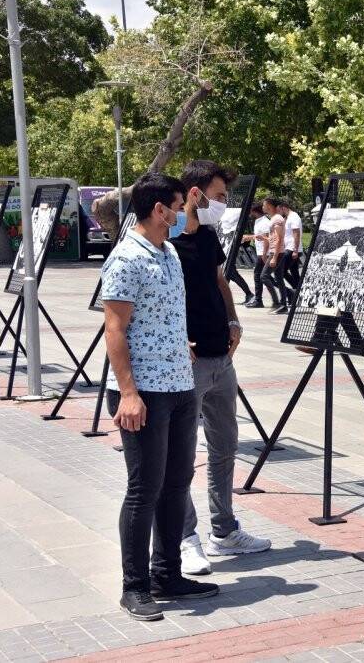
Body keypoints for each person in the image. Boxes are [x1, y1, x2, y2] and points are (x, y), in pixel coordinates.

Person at [102, 172, 219, 621]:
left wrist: (179, 346)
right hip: (144, 393)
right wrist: (128, 394)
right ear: (159, 210)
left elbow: (164, 314)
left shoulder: (167, 251)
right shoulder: (126, 258)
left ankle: (167, 573)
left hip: (179, 385)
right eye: (176, 206)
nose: (181, 213)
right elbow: (114, 329)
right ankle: (134, 587)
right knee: (143, 489)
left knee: (176, 483)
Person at [171, 161, 271, 576]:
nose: (224, 204)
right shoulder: (167, 237)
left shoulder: (209, 235)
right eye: (220, 196)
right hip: (187, 362)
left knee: (224, 447)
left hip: (220, 358)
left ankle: (224, 530)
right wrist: (176, 339)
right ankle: (185, 539)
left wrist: (233, 320)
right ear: (195, 195)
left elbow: (219, 281)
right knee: (180, 456)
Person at [218, 205, 253, 304]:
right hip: (226, 255)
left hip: (228, 256)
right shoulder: (229, 230)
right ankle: (222, 297)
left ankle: (249, 294)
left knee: (232, 274)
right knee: (228, 275)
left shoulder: (233, 230)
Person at [261, 197, 288, 314]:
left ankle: (276, 302)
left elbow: (279, 238)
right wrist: (264, 238)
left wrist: (274, 257)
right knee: (279, 278)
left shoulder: (277, 219)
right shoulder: (274, 218)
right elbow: (274, 238)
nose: (262, 207)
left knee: (263, 276)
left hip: (276, 252)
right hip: (277, 251)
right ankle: (283, 305)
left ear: (270, 206)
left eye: (264, 205)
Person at [246, 203, 272, 308]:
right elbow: (259, 236)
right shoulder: (258, 221)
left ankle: (258, 300)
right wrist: (250, 237)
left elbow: (267, 239)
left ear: (254, 211)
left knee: (259, 276)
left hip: (263, 253)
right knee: (264, 277)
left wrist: (264, 254)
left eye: (251, 211)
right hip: (260, 252)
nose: (250, 214)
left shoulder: (265, 222)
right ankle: (288, 293)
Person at [279, 200, 304, 291]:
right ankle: (298, 291)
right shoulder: (289, 217)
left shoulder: (294, 217)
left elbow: (296, 233)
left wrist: (295, 250)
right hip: (291, 248)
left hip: (291, 249)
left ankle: (295, 290)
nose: (279, 213)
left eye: (279, 210)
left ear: (283, 208)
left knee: (281, 271)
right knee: (294, 272)